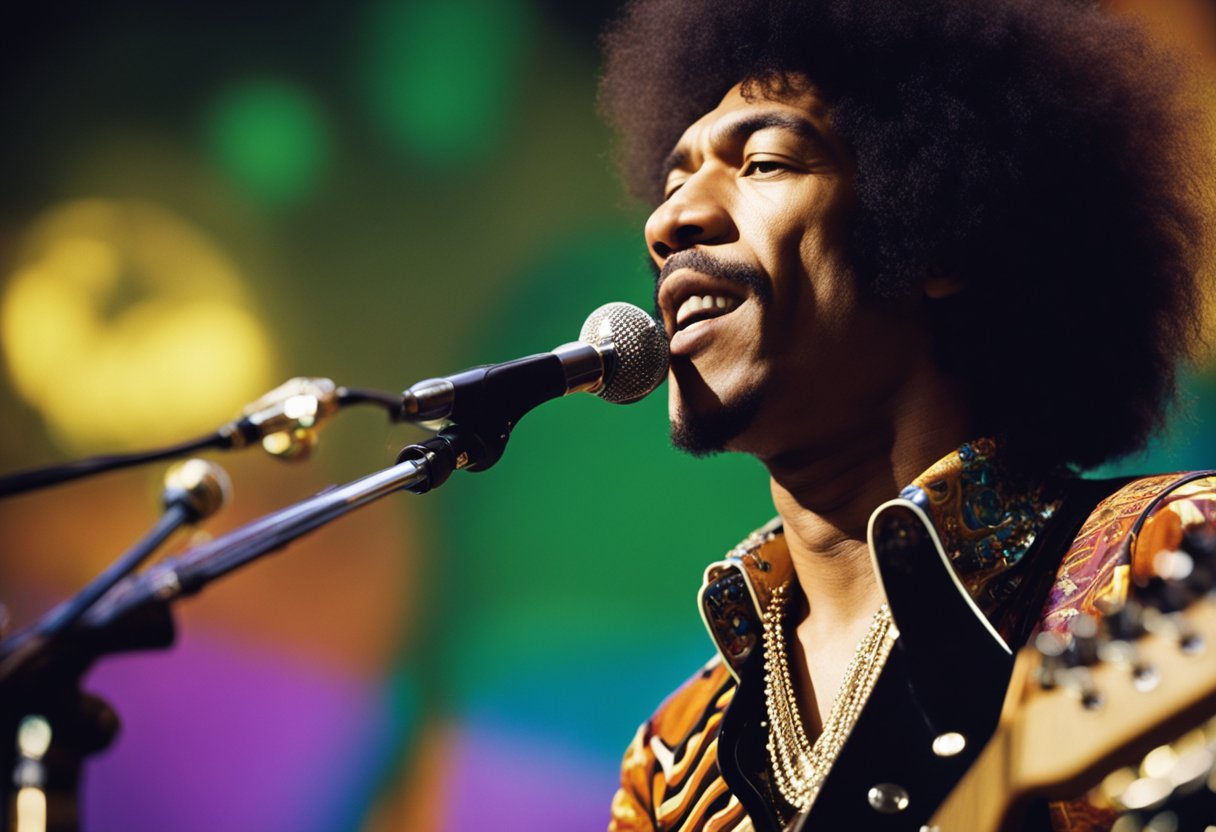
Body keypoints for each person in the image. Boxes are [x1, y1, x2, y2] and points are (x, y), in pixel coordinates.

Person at [597, 0, 1216, 829]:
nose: (670, 220)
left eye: (765, 163)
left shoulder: (1171, 551)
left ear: (937, 232)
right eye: (673, 184)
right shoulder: (672, 760)